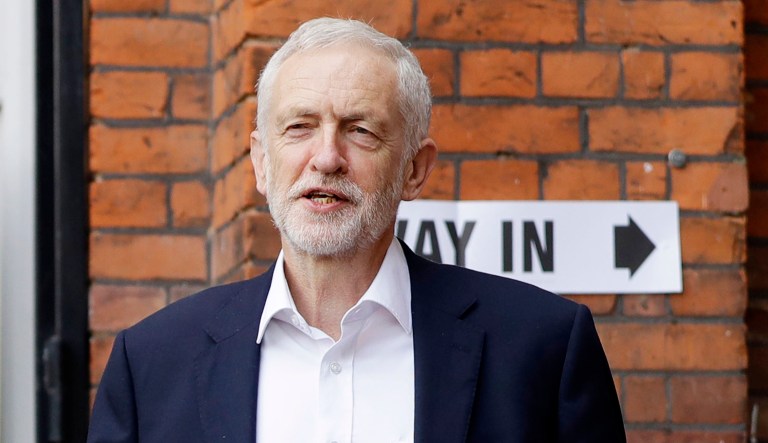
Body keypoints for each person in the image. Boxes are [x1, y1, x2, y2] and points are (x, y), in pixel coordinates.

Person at [88, 17, 625, 443]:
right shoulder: (152, 364)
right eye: (299, 127)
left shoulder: (542, 349)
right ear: (261, 163)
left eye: (361, 130)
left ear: (414, 169)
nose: (326, 157)